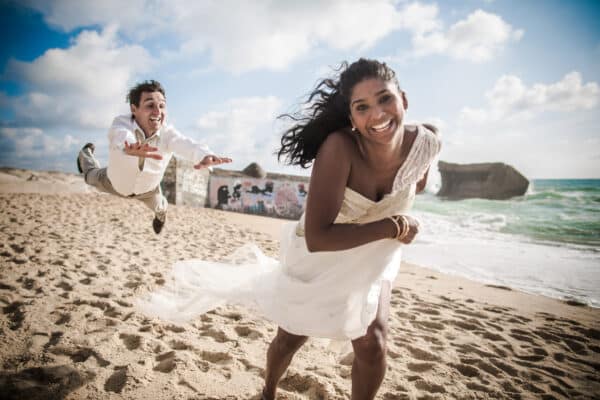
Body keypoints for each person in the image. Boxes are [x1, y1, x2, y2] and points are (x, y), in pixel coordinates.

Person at [137, 59, 440, 399]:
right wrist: (392, 224)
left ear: (404, 99)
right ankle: (268, 391)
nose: (377, 114)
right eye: (362, 107)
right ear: (351, 117)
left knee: (373, 343)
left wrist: (395, 219)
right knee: (291, 336)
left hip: (375, 255)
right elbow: (318, 237)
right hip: (322, 255)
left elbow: (415, 180)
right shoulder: (339, 148)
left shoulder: (426, 143)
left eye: (385, 99)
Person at [77, 80, 231, 234]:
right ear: (134, 109)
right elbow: (119, 135)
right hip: (113, 182)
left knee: (161, 207)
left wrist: (204, 155)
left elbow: (184, 143)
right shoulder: (122, 123)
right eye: (150, 105)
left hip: (148, 190)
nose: (157, 112)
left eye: (162, 106)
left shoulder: (168, 134)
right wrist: (129, 146)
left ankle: (160, 216)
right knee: (89, 176)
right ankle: (85, 154)